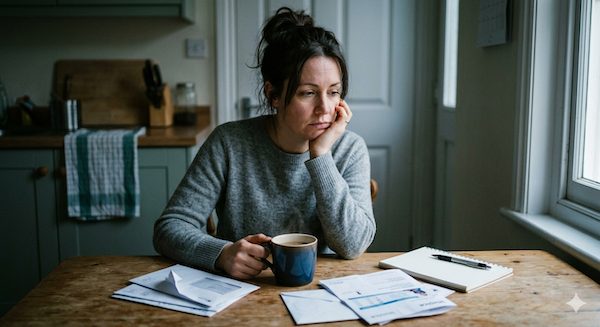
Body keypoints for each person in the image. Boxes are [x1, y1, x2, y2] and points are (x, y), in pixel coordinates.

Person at [153, 7, 375, 280]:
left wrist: (321, 157)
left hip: (318, 296)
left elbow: (353, 245)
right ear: (273, 94)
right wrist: (221, 253)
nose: (324, 108)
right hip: (238, 295)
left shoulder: (350, 149)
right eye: (308, 93)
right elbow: (169, 228)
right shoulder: (229, 143)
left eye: (333, 92)